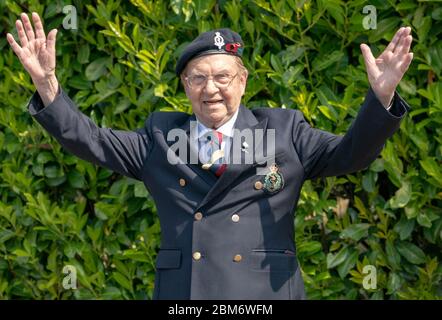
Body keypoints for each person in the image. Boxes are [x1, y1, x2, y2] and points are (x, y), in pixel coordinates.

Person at [7, 12, 413, 300]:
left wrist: (381, 98)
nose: (211, 88)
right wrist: (49, 88)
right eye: (198, 78)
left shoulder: (285, 131)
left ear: (243, 81)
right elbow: (90, 140)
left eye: (222, 77)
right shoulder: (160, 137)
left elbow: (351, 154)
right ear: (185, 86)